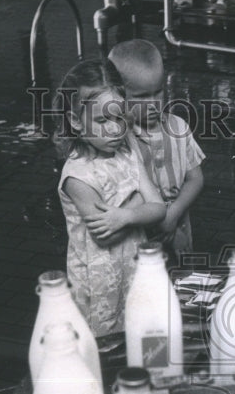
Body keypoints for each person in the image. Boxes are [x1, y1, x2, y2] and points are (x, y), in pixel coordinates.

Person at [55, 58, 165, 337]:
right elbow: (106, 235)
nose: (115, 129)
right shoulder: (77, 176)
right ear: (76, 122)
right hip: (98, 285)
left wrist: (125, 215)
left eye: (120, 117)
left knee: (139, 332)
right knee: (103, 347)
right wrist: (141, 200)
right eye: (102, 120)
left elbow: (161, 208)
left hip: (133, 270)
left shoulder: (126, 148)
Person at [108, 39, 205, 264]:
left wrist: (173, 214)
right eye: (141, 96)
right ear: (118, 94)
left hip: (179, 230)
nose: (153, 103)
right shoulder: (118, 139)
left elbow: (196, 179)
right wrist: (168, 227)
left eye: (158, 92)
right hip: (137, 245)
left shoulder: (179, 127)